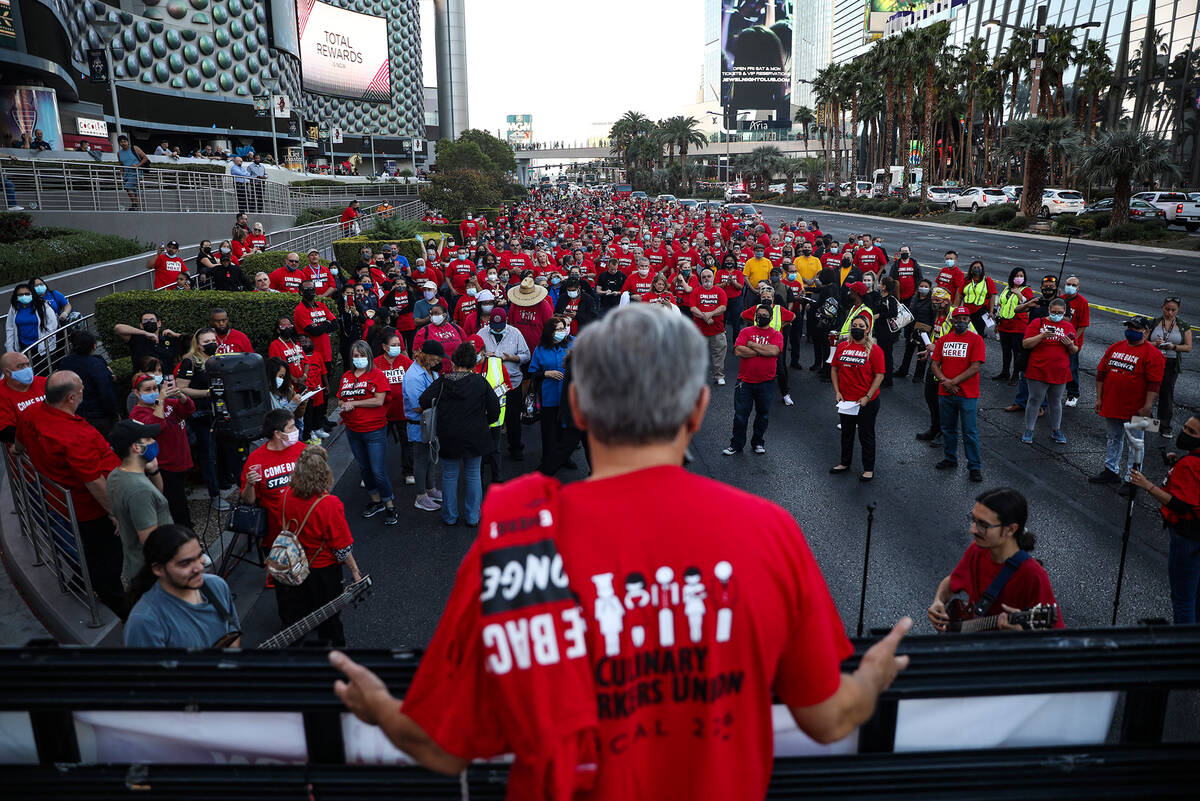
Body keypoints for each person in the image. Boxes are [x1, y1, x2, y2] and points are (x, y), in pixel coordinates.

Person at [327, 303, 911, 799]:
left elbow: (443, 748)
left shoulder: (513, 539)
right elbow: (829, 716)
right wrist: (872, 678)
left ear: (578, 410)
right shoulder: (770, 532)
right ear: (699, 412)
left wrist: (380, 707)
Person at [18, 371, 126, 616]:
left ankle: (80, 580)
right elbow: (93, 481)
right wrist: (115, 512)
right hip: (91, 510)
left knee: (91, 551)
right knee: (108, 558)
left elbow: (20, 443)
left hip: (65, 504)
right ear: (70, 398)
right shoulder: (74, 436)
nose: (82, 394)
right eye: (80, 391)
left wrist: (18, 450)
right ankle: (118, 606)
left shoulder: (31, 413)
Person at [927, 488, 1064, 632]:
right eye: (973, 520)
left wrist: (1020, 633)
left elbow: (1056, 637)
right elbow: (951, 582)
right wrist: (938, 600)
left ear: (1010, 529)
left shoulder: (1033, 575)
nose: (973, 529)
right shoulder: (977, 550)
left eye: (983, 525)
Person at [273, 446, 362, 647]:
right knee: (328, 616)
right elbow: (342, 548)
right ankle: (334, 651)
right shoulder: (329, 503)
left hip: (292, 564)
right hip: (322, 570)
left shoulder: (285, 495)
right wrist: (355, 572)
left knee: (298, 613)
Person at [419, 343, 501, 527]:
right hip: (476, 434)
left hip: (449, 435)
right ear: (473, 363)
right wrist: (485, 422)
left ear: (454, 361)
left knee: (449, 475)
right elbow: (494, 408)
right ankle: (473, 517)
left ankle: (449, 516)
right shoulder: (480, 382)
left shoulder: (443, 381)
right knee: (473, 475)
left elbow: (424, 400)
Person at [1128, 415, 1200, 623]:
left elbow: (1181, 504)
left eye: (1192, 432)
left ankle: (1183, 647)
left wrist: (1147, 485)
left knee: (1183, 600)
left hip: (1187, 537)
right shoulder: (1190, 461)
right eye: (1185, 427)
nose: (1184, 432)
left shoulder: (1191, 466)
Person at [124, 525, 241, 647]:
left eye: (199, 556)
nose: (199, 568)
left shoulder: (217, 586)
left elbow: (233, 635)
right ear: (158, 569)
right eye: (185, 563)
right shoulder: (145, 621)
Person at [1090, 315, 1166, 495]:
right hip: (1112, 403)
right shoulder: (1115, 347)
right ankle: (1111, 470)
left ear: (1146, 333)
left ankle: (1133, 479)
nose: (1131, 331)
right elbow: (1101, 374)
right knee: (1113, 437)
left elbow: (1154, 384)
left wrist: (1148, 406)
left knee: (1136, 444)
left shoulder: (1153, 354)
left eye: (1136, 329)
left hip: (1137, 408)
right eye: (1129, 327)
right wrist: (1099, 399)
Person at [107, 418, 172, 588]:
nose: (154, 442)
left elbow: (155, 499)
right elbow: (151, 543)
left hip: (136, 569)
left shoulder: (116, 475)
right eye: (148, 440)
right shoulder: (139, 490)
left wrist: (154, 471)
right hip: (154, 578)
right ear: (136, 448)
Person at [338, 340, 397, 525]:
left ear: (369, 356)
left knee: (378, 471)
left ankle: (389, 504)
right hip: (353, 430)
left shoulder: (377, 375)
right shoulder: (346, 376)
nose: (359, 359)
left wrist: (353, 403)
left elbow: (379, 401)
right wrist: (344, 404)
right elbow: (340, 399)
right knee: (364, 468)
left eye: (362, 355)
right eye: (355, 356)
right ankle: (376, 501)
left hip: (374, 430)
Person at [128, 370, 194, 528]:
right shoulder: (137, 414)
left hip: (180, 460)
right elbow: (156, 426)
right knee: (177, 509)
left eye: (155, 388)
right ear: (136, 393)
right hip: (164, 467)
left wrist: (181, 396)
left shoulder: (168, 403)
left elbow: (188, 409)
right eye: (147, 390)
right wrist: (160, 401)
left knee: (180, 502)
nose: (153, 392)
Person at [175, 328, 228, 510]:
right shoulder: (190, 362)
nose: (211, 344)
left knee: (222, 451)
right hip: (201, 415)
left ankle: (225, 483)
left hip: (219, 412)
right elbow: (181, 388)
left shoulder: (217, 358)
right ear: (197, 344)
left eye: (213, 340)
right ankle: (214, 495)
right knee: (208, 456)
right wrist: (206, 393)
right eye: (206, 342)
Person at [932, 306, 986, 482]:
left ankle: (974, 466)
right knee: (948, 428)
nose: (961, 322)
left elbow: (975, 367)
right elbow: (934, 364)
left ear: (969, 321)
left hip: (967, 394)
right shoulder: (943, 340)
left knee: (969, 431)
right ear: (952, 320)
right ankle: (950, 458)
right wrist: (944, 381)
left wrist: (952, 382)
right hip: (945, 392)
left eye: (964, 319)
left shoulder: (976, 340)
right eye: (958, 318)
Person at [830, 314, 885, 481]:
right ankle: (844, 463)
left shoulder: (875, 350)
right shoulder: (842, 347)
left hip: (866, 402)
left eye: (861, 326)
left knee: (866, 434)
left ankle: (868, 468)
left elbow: (879, 375)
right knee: (846, 433)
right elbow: (834, 369)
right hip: (846, 401)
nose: (857, 329)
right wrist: (837, 392)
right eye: (855, 325)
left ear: (868, 330)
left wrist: (867, 396)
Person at [724, 303, 783, 455]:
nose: (760, 317)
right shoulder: (746, 331)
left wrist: (751, 345)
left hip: (766, 383)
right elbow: (738, 351)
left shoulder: (776, 334)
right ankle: (736, 445)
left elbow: (774, 351)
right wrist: (762, 350)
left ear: (770, 318)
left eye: (764, 316)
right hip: (745, 382)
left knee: (763, 415)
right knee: (740, 416)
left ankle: (758, 442)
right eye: (759, 315)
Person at [476, 307, 531, 462]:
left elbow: (526, 355)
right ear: (489, 322)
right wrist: (485, 356)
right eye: (494, 327)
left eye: (499, 328)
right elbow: (474, 354)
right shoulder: (482, 333)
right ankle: (488, 450)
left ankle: (516, 447)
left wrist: (512, 358)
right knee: (488, 417)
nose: (496, 330)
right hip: (489, 384)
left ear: (506, 321)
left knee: (513, 417)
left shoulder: (515, 333)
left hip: (512, 382)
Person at [1020, 298, 1078, 445]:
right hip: (1038, 369)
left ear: (1065, 312)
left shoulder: (1068, 326)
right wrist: (1042, 336)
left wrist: (1070, 345)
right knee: (1034, 400)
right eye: (1054, 312)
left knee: (1056, 401)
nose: (1056, 315)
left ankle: (1056, 430)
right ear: (1049, 311)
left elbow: (1075, 350)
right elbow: (1026, 344)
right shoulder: (1037, 323)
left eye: (1060, 312)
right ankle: (1029, 430)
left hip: (1059, 370)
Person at [528, 316, 573, 473]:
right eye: (558, 329)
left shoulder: (571, 345)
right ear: (550, 332)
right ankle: (547, 461)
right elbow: (533, 372)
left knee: (565, 431)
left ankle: (564, 458)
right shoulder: (540, 350)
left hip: (568, 397)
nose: (562, 332)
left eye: (563, 328)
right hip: (549, 398)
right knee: (549, 432)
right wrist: (547, 373)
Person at [404, 340, 444, 511]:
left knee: (431, 457)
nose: (437, 363)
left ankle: (430, 488)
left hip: (431, 420)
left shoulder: (429, 370)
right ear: (425, 356)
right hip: (419, 423)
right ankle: (421, 496)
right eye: (435, 360)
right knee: (421, 459)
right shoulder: (413, 376)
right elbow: (418, 406)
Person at [57, 330, 118, 438]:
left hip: (72, 415)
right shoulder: (96, 364)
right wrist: (114, 415)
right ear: (94, 346)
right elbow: (106, 393)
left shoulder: (65, 362)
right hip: (98, 418)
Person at [376, 331, 415, 485]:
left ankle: (408, 471)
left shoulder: (405, 361)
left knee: (407, 443)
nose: (397, 348)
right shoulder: (376, 363)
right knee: (378, 445)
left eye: (398, 345)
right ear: (384, 347)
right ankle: (374, 473)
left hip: (403, 411)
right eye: (393, 345)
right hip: (382, 413)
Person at [1150, 297, 1191, 437]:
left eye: (1173, 310)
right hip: (1153, 361)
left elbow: (1188, 347)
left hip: (1171, 362)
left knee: (1166, 395)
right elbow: (1142, 341)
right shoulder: (1154, 322)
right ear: (1163, 308)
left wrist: (1174, 347)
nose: (1170, 312)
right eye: (1167, 309)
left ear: (1177, 310)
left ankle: (1164, 427)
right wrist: (1155, 344)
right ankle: (1148, 425)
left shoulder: (1183, 325)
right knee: (1149, 392)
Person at [993, 268, 1036, 383]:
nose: (1019, 278)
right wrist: (997, 322)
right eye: (1017, 275)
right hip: (1004, 325)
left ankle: (1016, 375)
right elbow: (1001, 304)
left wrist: (1019, 294)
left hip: (1018, 326)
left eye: (1021, 276)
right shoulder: (1007, 288)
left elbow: (1028, 304)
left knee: (1017, 353)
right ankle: (1005, 372)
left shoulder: (1026, 290)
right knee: (1005, 351)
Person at [688, 267, 729, 385]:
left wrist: (709, 314)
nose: (706, 279)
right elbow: (693, 308)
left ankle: (719, 376)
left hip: (717, 330)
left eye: (709, 276)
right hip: (699, 330)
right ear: (701, 279)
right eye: (704, 277)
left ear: (713, 277)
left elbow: (723, 307)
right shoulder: (696, 291)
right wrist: (705, 317)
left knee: (719, 354)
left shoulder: (720, 291)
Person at [0, 351, 46, 445]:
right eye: (20, 366)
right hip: (27, 451)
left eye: (28, 365)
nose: (27, 369)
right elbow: (4, 430)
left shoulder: (45, 383)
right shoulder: (2, 394)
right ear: (7, 372)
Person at [1059, 275, 1090, 407]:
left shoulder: (1082, 302)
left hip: (1072, 342)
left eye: (1073, 285)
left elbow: (1083, 325)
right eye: (1068, 284)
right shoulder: (1061, 299)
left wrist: (1073, 340)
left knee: (1071, 368)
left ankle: (1073, 394)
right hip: (1059, 339)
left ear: (1078, 288)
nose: (1070, 287)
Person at [895, 279, 933, 381]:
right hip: (912, 329)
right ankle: (903, 370)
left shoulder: (931, 302)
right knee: (908, 351)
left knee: (921, 353)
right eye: (922, 286)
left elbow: (933, 317)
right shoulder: (914, 298)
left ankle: (919, 376)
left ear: (930, 289)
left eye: (926, 286)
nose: (923, 288)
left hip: (924, 331)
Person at [6, 282, 57, 354]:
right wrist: (10, 348)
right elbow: (10, 328)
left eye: (27, 294)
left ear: (32, 294)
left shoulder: (42, 305)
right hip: (23, 347)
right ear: (16, 297)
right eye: (20, 295)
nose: (24, 296)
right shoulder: (14, 308)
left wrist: (46, 340)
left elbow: (53, 323)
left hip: (43, 346)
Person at [960, 261, 996, 336]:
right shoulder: (967, 280)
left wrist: (991, 311)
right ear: (971, 269)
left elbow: (992, 295)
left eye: (978, 267)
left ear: (982, 269)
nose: (976, 269)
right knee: (965, 333)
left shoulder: (987, 280)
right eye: (974, 267)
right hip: (967, 312)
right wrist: (956, 308)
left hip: (981, 311)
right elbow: (960, 294)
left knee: (978, 334)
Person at [116, 135, 149, 211]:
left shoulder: (134, 148)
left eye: (125, 141)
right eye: (121, 142)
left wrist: (137, 165)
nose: (123, 143)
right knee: (133, 190)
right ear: (119, 144)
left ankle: (134, 204)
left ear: (128, 142)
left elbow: (145, 158)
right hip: (126, 174)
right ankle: (136, 206)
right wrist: (122, 173)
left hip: (136, 172)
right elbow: (121, 164)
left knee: (128, 187)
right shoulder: (119, 153)